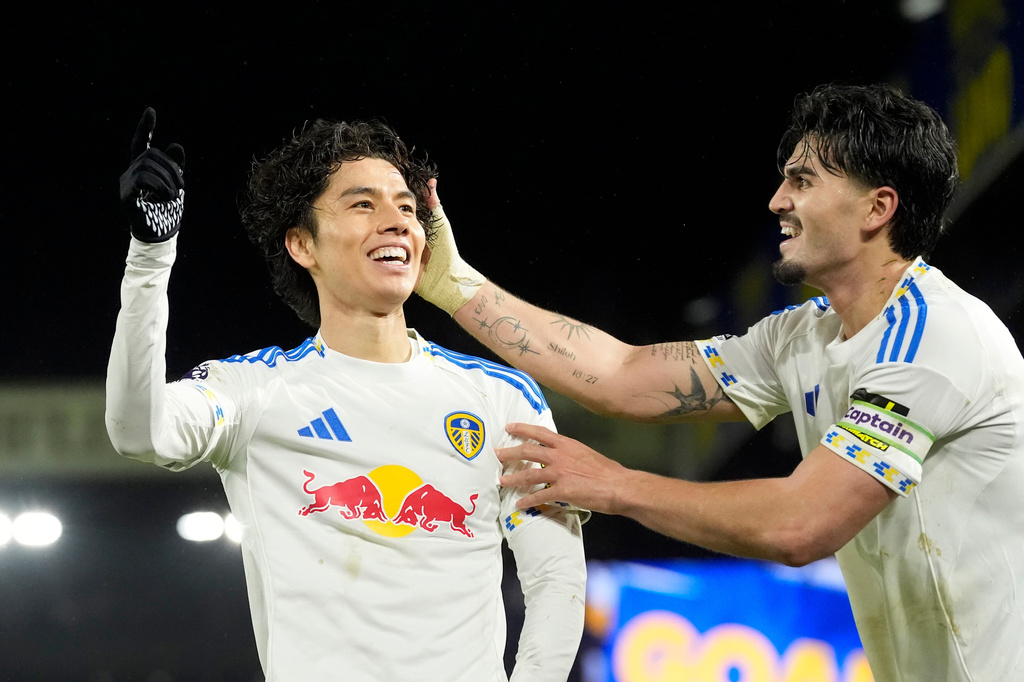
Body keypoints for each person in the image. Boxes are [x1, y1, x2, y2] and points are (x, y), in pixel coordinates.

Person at [415, 83, 1024, 681]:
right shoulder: (803, 335)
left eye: (804, 180)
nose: (778, 200)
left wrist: (616, 485)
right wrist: (453, 284)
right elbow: (623, 376)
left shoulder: (932, 338)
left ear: (877, 208)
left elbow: (800, 525)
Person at [105, 108, 586, 681]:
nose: (396, 221)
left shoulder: (502, 396)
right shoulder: (254, 392)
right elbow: (138, 431)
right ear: (302, 244)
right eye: (364, 204)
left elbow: (555, 576)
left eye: (406, 207)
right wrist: (150, 257)